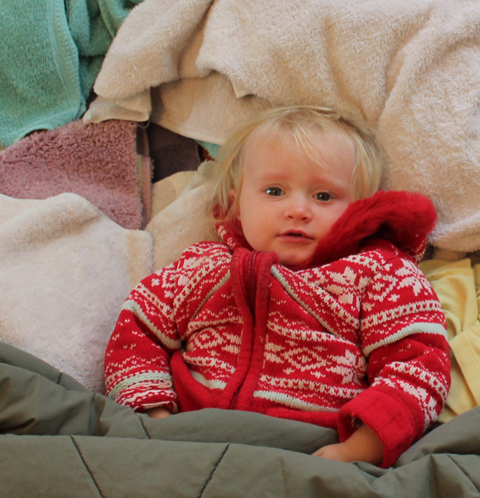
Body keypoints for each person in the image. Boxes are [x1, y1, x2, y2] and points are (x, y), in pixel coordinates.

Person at [102, 105, 451, 467]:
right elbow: (137, 330)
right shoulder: (202, 267)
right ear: (237, 205)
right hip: (188, 441)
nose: (297, 210)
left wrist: (361, 449)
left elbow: (419, 365)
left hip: (313, 449)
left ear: (359, 210)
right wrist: (152, 414)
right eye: (274, 191)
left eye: (323, 196)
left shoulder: (379, 273)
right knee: (65, 404)